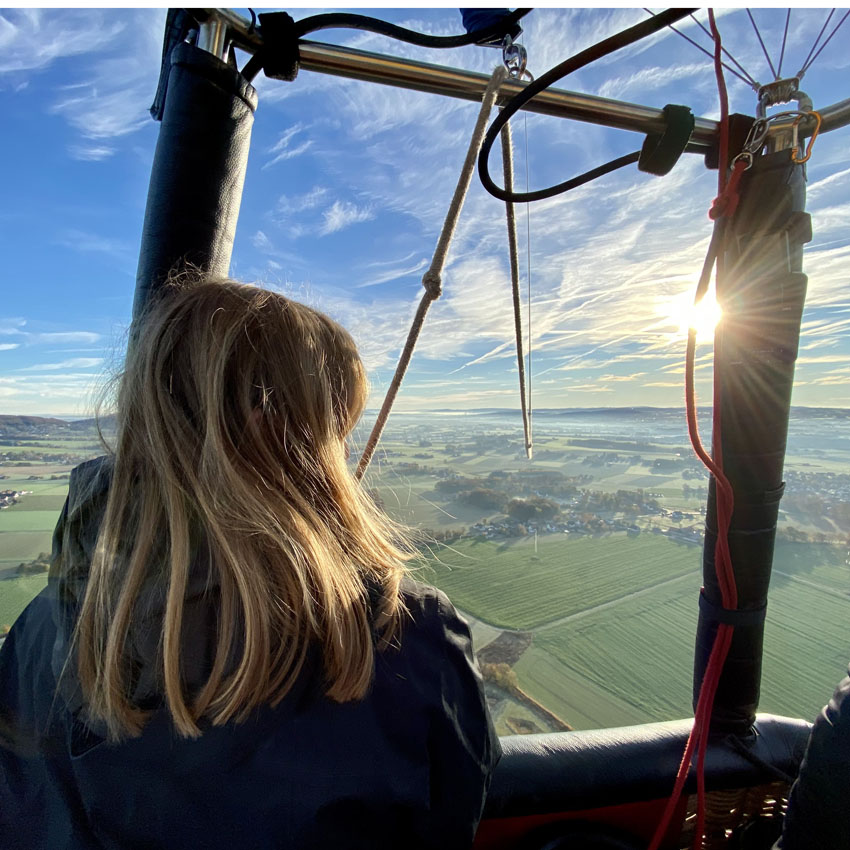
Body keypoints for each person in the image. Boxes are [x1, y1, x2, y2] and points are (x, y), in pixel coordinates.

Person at [0, 276, 500, 850]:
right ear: (283, 430)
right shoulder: (405, 638)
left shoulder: (48, 625)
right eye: (334, 425)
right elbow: (449, 822)